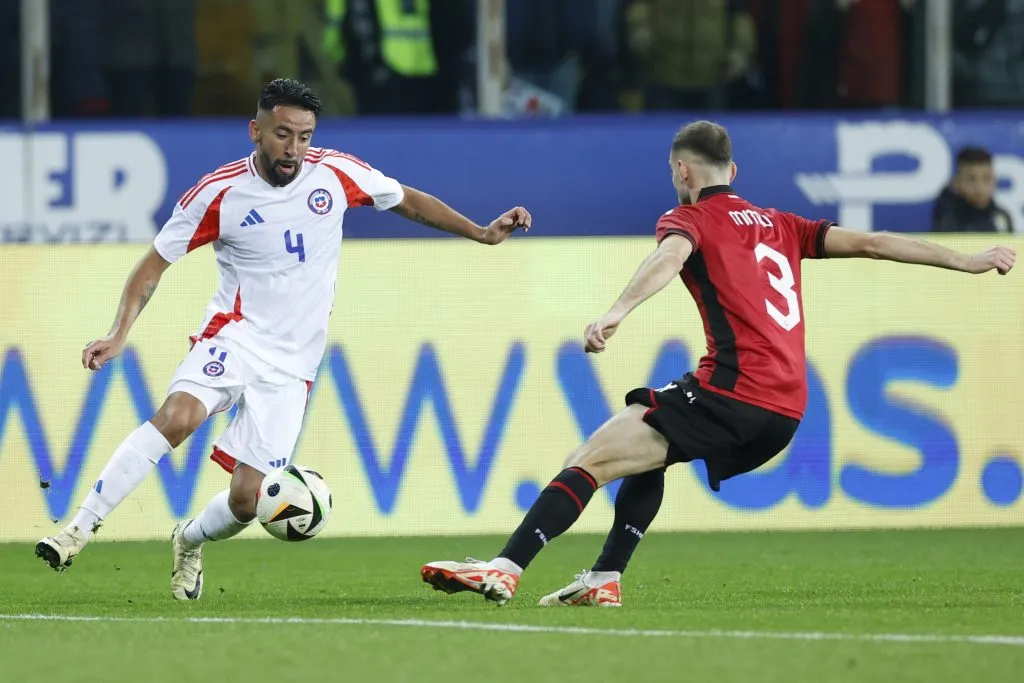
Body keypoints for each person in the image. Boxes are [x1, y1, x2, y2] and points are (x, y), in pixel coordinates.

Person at [420, 120, 1015, 607]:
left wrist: (617, 311)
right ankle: (604, 578)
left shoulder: (689, 219)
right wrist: (969, 260)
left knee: (592, 458)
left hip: (734, 392)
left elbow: (671, 259)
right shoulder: (785, 225)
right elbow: (877, 242)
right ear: (734, 172)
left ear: (682, 171)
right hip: (785, 411)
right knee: (647, 428)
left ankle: (505, 567)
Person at [36, 78, 532, 601]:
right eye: (282, 134)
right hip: (235, 338)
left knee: (248, 501)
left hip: (294, 366)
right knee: (178, 416)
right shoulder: (220, 192)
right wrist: (119, 333)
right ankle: (79, 528)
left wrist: (479, 232)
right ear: (256, 131)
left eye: (304, 136)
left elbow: (406, 200)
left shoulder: (336, 175)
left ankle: (188, 540)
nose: (294, 148)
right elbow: (154, 264)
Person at [932, 147, 1014, 233]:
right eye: (971, 179)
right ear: (957, 182)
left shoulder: (1001, 218)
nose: (979, 187)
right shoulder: (947, 216)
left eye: (987, 178)